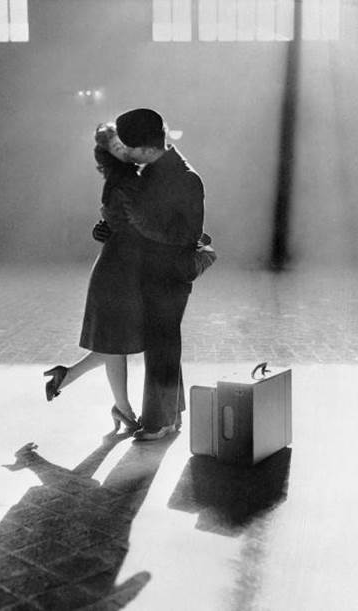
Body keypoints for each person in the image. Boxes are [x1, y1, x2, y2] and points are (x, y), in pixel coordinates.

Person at [109, 108, 205, 441]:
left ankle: (159, 421)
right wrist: (110, 229)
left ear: (148, 148)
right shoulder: (151, 172)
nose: (127, 153)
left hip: (171, 274)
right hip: (153, 271)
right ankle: (171, 414)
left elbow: (188, 235)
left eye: (130, 148)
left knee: (161, 344)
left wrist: (138, 221)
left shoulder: (186, 178)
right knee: (164, 342)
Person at [43, 123, 145, 433]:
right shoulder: (123, 181)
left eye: (123, 143)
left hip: (122, 267)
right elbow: (129, 225)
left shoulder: (127, 178)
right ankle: (124, 410)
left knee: (115, 343)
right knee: (115, 343)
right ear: (109, 154)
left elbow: (117, 224)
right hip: (117, 271)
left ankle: (66, 376)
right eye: (115, 148)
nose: (122, 150)